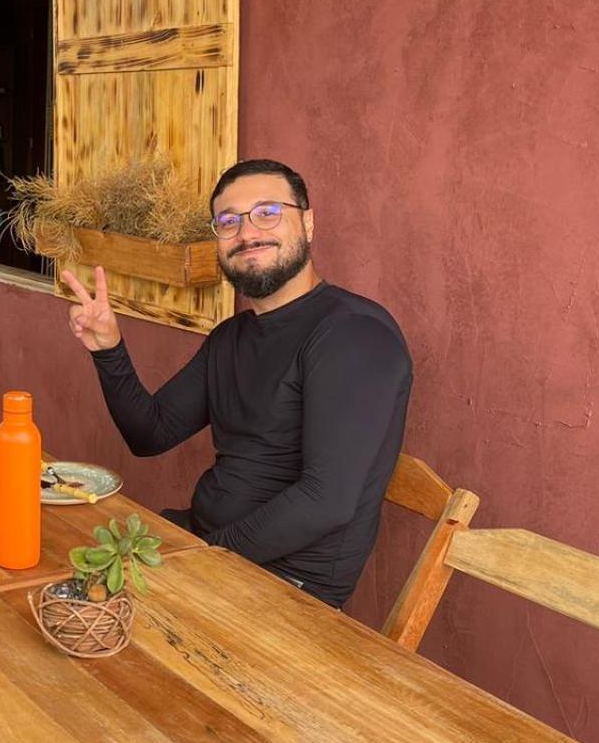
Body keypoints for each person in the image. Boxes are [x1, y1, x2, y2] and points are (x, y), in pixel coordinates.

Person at [62, 159, 412, 606]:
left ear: (307, 222)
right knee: (53, 579)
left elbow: (326, 501)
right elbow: (149, 434)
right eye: (228, 222)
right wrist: (108, 348)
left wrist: (204, 554)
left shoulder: (353, 334)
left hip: (285, 588)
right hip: (207, 550)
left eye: (267, 212)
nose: (247, 233)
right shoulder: (232, 337)